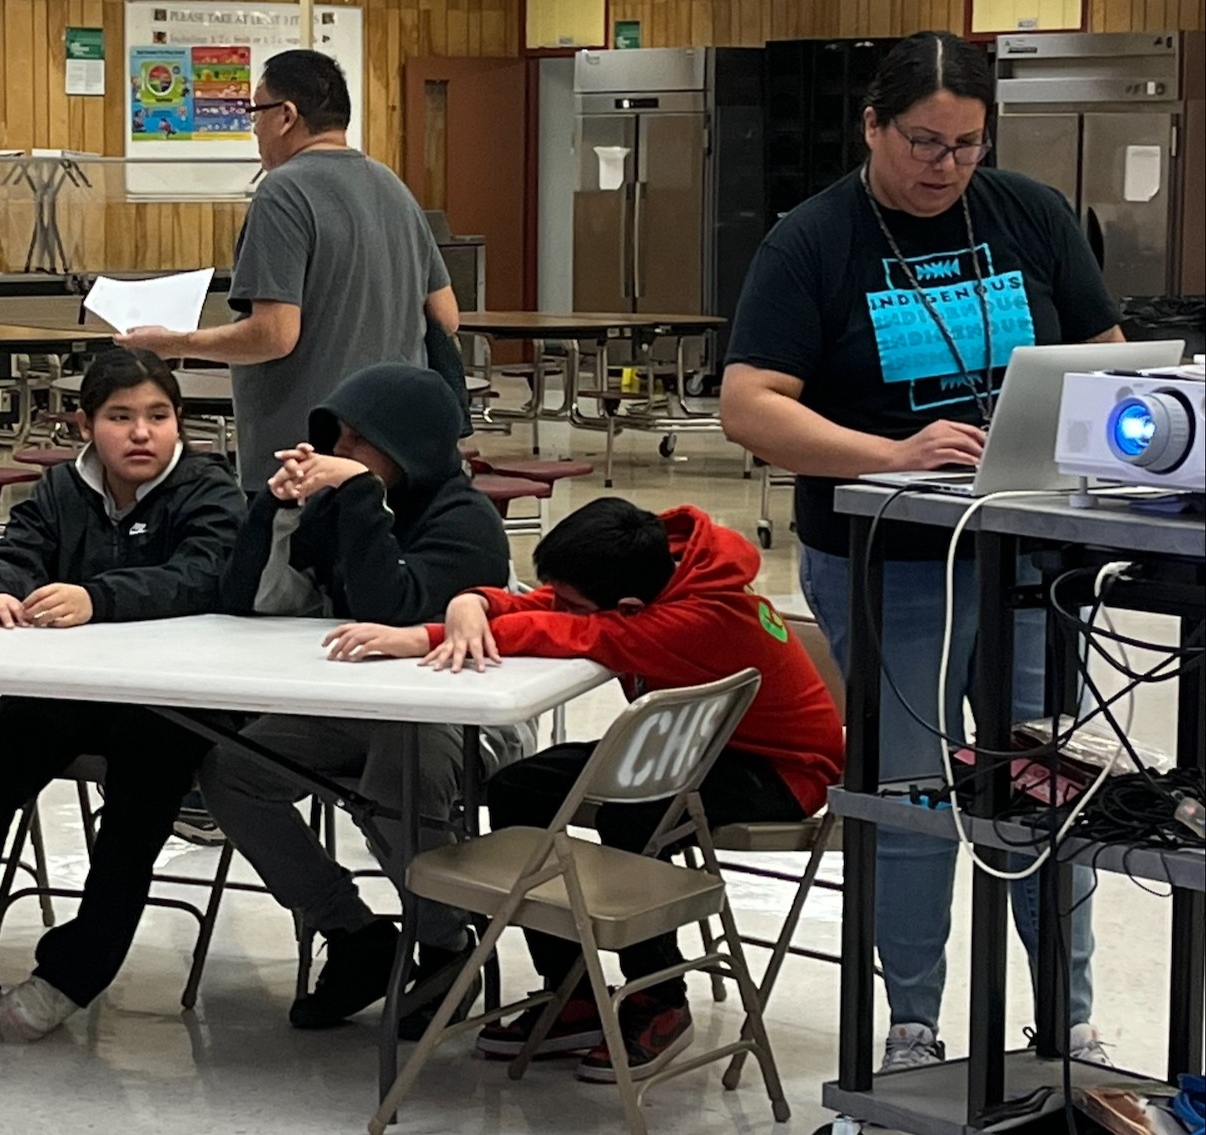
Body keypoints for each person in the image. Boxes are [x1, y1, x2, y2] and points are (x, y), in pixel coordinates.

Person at [718, 30, 1122, 1069]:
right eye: (921, 141)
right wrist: (889, 452)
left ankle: (1063, 1017)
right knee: (909, 796)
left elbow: (1108, 360)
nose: (942, 166)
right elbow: (750, 406)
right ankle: (911, 1023)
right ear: (870, 125)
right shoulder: (812, 240)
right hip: (890, 565)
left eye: (965, 145)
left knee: (1041, 781)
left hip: (1034, 558)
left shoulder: (1028, 214)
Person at [325, 498, 845, 1081]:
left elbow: (567, 630)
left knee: (633, 816)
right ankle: (571, 989)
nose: (563, 598)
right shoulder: (657, 569)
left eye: (577, 597)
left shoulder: (699, 618)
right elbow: (552, 604)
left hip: (781, 772)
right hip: (694, 741)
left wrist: (424, 636)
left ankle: (660, 998)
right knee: (519, 789)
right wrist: (470, 601)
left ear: (626, 605)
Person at [0, 350, 244, 1040]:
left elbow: (202, 577)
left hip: (174, 700)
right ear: (85, 424)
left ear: (179, 423)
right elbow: (9, 551)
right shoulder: (59, 490)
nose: (142, 432)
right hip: (73, 690)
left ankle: (74, 972)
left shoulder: (211, 489)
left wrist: (95, 597)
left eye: (158, 416)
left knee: (142, 790)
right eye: (121, 417)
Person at [199, 362, 516, 1037]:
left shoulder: (468, 521)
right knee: (233, 767)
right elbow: (251, 602)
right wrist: (278, 511)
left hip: (454, 715)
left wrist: (364, 497)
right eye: (336, 439)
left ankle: (443, 942)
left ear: (405, 444)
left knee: (396, 773)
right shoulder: (344, 503)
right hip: (355, 705)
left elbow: (393, 610)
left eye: (356, 442)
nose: (339, 456)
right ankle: (349, 927)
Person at [117, 49, 460, 484]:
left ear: (285, 115)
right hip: (391, 448)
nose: (254, 128)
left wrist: (175, 344)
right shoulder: (394, 187)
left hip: (303, 456)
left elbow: (274, 335)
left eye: (255, 113)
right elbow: (446, 317)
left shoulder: (282, 193)